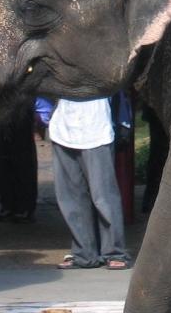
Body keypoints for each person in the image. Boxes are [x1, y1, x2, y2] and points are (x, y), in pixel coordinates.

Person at [50, 95, 130, 270]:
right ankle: (83, 253)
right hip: (62, 129)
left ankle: (114, 252)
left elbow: (118, 91)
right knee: (71, 198)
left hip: (97, 128)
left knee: (104, 197)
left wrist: (124, 122)